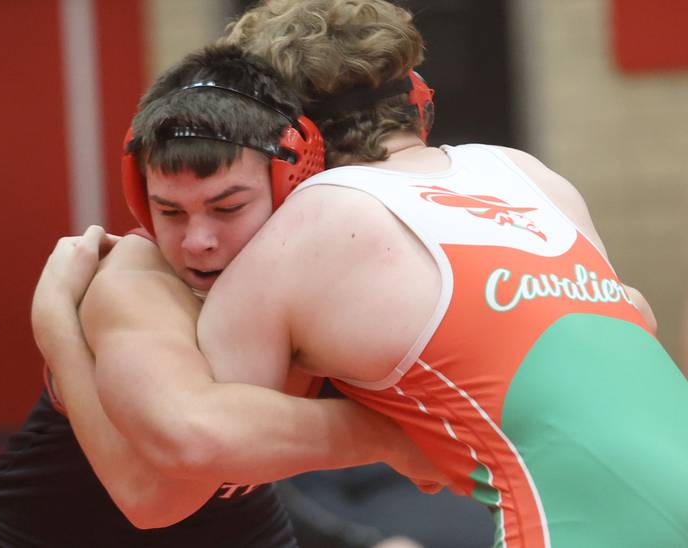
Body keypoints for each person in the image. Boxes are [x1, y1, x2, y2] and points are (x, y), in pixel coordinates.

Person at [38, 1, 688, 546]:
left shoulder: (305, 229)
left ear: (285, 142)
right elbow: (636, 314)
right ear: (418, 102)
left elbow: (164, 486)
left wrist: (56, 325)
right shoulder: (525, 173)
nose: (201, 238)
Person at [0, 44, 439, 548]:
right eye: (169, 212)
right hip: (61, 532)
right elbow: (153, 498)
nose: (197, 242)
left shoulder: (330, 266)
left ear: (293, 183)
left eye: (227, 208)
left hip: (238, 524)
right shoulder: (134, 281)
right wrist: (56, 327)